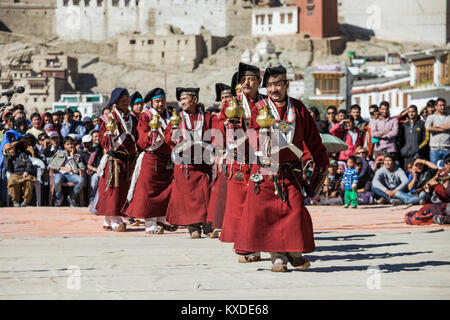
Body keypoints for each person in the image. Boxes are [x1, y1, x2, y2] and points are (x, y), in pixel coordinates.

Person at [233, 65, 329, 272]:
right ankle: (277, 258)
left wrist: (321, 163)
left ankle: (295, 253)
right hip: (266, 169)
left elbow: (313, 139)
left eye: (277, 84)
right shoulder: (260, 108)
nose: (273, 89)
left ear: (287, 84)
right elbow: (251, 135)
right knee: (269, 214)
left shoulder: (299, 108)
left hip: (291, 170)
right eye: (269, 85)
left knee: (294, 210)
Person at [218, 63, 266, 262]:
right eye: (243, 80)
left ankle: (257, 244)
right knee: (238, 206)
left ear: (259, 82)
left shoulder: (267, 103)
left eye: (251, 79)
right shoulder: (233, 103)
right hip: (238, 160)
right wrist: (226, 125)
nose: (247, 83)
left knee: (258, 205)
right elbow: (219, 125)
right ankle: (244, 247)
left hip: (262, 159)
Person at [124, 88, 176, 235]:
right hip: (152, 156)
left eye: (162, 101)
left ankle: (161, 218)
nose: (160, 104)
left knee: (165, 190)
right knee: (149, 191)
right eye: (157, 101)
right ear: (152, 103)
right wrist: (151, 135)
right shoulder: (146, 116)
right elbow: (141, 139)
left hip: (166, 158)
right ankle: (150, 222)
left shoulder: (170, 115)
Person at [164, 87, 214, 238]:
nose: (182, 102)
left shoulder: (207, 117)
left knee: (205, 193)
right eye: (181, 100)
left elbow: (215, 134)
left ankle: (207, 224)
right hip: (184, 163)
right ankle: (192, 226)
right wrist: (173, 135)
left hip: (202, 163)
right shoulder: (176, 118)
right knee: (187, 196)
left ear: (195, 100)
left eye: (185, 99)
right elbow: (167, 138)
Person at [95, 88, 137, 232]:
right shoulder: (108, 119)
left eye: (127, 99)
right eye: (122, 100)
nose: (126, 102)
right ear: (116, 102)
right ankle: (115, 220)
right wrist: (109, 134)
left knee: (123, 190)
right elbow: (102, 140)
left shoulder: (132, 118)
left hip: (128, 160)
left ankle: (108, 220)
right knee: (113, 191)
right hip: (114, 161)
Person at [205, 83, 233, 238]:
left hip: (237, 156)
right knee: (218, 191)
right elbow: (216, 135)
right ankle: (216, 223)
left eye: (227, 97)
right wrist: (224, 124)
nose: (225, 100)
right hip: (222, 157)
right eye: (222, 98)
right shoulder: (219, 116)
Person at [48, 136, 85, 207]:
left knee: (81, 180)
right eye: (68, 144)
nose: (70, 146)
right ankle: (59, 197)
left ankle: (72, 198)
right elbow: (51, 166)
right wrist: (63, 168)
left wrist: (72, 157)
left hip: (71, 175)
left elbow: (81, 167)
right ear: (64, 146)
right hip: (60, 173)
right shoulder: (59, 153)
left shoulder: (77, 155)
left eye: (71, 144)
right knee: (57, 180)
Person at [3, 141, 37, 207]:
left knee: (29, 181)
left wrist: (27, 171)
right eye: (9, 149)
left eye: (12, 148)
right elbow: (7, 167)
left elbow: (29, 163)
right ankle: (15, 200)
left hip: (25, 173)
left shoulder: (22, 155)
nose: (12, 150)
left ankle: (26, 201)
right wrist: (6, 156)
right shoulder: (8, 159)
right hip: (15, 174)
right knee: (12, 181)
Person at [425, 98, 450, 165]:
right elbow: (428, 128)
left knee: (446, 170)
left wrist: (437, 125)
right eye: (441, 105)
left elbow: (449, 126)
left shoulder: (449, 117)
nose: (443, 107)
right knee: (434, 169)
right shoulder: (431, 117)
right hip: (434, 149)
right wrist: (445, 128)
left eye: (444, 105)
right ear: (436, 106)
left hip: (446, 148)